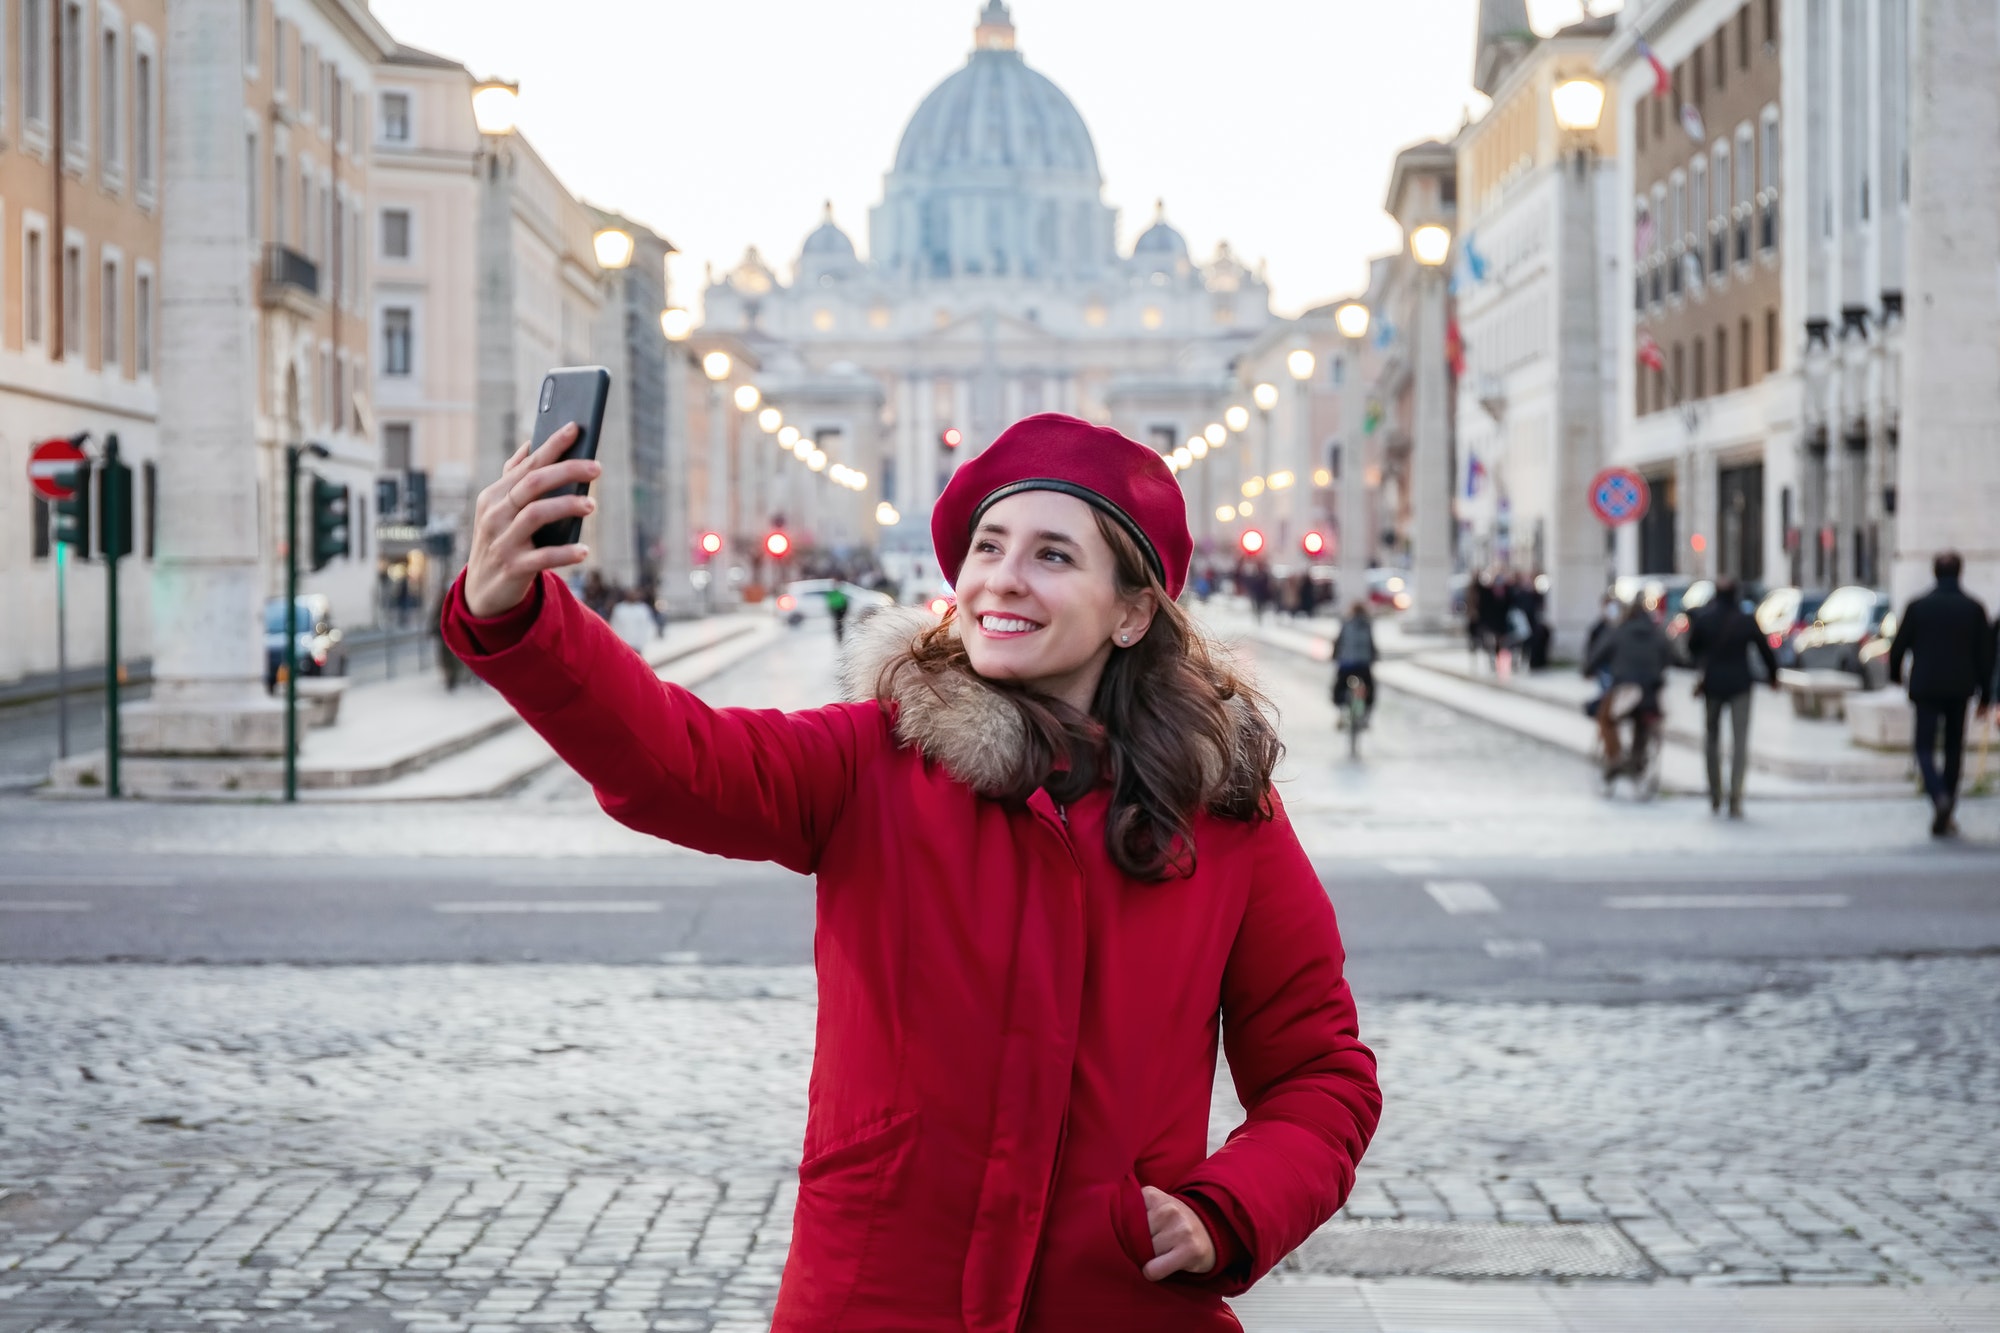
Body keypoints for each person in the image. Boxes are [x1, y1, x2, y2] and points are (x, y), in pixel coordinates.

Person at [441, 413, 1380, 1330]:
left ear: (1133, 612)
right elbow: (672, 756)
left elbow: (1320, 1071)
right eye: (988, 546)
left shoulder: (1225, 818)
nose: (1001, 580)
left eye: (1053, 555)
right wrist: (518, 615)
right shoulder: (869, 761)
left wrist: (1225, 1212)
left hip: (1119, 1300)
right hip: (874, 1297)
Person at [1887, 552, 1995, 837]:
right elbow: (1985, 656)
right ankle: (1948, 804)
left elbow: (1898, 648)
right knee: (1953, 749)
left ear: (1935, 573)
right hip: (1960, 687)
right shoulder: (1973, 608)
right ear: (1960, 573)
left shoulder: (1918, 606)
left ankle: (1938, 797)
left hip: (1926, 686)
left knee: (1923, 747)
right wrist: (1986, 696)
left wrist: (1896, 677)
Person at [1688, 578, 1779, 818]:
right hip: (1740, 685)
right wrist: (1773, 676)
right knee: (1740, 743)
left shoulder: (1705, 619)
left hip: (1713, 685)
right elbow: (1764, 648)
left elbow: (1691, 649)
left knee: (1711, 740)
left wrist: (1703, 663)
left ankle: (1715, 794)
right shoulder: (1745, 620)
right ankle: (1735, 798)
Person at [1584, 599, 1670, 777]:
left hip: (1625, 690)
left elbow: (1598, 655)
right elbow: (1672, 656)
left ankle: (1614, 757)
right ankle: (1637, 759)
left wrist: (1587, 670)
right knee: (1644, 721)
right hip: (1650, 692)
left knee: (1605, 718)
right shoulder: (1657, 634)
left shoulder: (1619, 632)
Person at [1331, 602, 1378, 720]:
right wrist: (1373, 658)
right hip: (1363, 665)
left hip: (1346, 664)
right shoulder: (1367, 625)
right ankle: (1366, 714)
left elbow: (1339, 641)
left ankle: (1340, 710)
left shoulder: (1346, 623)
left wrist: (1334, 656)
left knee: (1339, 686)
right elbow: (1371, 644)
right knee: (1369, 687)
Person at [608, 585, 658, 655]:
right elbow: (614, 625)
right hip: (622, 645)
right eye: (630, 593)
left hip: (637, 645)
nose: (632, 595)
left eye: (634, 594)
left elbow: (648, 626)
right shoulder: (619, 608)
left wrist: (643, 643)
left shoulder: (643, 609)